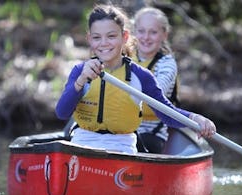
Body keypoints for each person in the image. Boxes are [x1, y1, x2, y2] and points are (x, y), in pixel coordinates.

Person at [55, 4, 216, 154]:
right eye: (97, 37)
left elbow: (167, 113)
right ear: (89, 39)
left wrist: (195, 119)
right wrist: (80, 81)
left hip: (121, 147)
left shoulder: (141, 76)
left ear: (124, 37)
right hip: (83, 142)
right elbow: (62, 112)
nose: (104, 43)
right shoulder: (80, 71)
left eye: (111, 36)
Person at [132, 7, 179, 153]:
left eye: (153, 32)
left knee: (139, 142)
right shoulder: (124, 58)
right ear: (134, 32)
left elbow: (156, 92)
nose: (146, 37)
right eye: (141, 31)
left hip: (151, 134)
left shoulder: (167, 64)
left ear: (164, 35)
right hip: (119, 127)